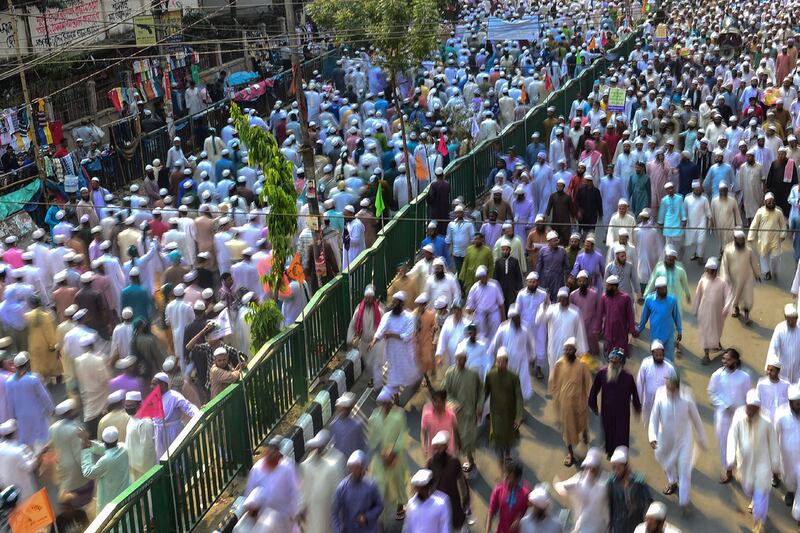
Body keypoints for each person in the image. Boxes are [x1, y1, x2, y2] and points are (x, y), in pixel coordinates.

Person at [648, 373, 708, 512]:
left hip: (684, 441)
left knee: (685, 472)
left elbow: (696, 418)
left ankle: (684, 502)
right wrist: (653, 437)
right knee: (666, 464)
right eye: (668, 387)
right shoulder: (661, 396)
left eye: (673, 388)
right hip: (665, 440)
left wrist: (702, 437)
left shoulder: (686, 398)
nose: (670, 390)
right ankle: (672, 482)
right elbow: (654, 418)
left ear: (678, 387)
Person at [727, 389, 782, 533]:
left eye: (753, 408)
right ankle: (754, 501)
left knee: (762, 492)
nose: (749, 410)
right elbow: (732, 437)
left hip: (763, 464)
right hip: (744, 464)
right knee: (748, 488)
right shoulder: (739, 416)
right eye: (748, 407)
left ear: (758, 408)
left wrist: (776, 464)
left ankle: (759, 521)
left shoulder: (767, 421)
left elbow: (774, 444)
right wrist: (730, 457)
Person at [708, 348, 752, 484]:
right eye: (724, 359)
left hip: (740, 416)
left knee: (742, 443)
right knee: (724, 444)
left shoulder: (744, 377)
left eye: (728, 359)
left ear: (735, 360)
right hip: (723, 417)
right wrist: (724, 404)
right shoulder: (717, 375)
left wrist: (749, 413)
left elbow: (748, 396)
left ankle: (743, 468)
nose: (725, 362)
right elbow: (711, 393)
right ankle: (728, 470)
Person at [589, 349, 641, 458]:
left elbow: (634, 394)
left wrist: (637, 407)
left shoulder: (628, 377)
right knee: (609, 433)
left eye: (615, 362)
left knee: (622, 435)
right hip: (607, 412)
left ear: (621, 363)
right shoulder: (602, 373)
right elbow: (594, 389)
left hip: (622, 413)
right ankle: (610, 452)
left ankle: (622, 457)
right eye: (611, 361)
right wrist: (593, 404)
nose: (612, 364)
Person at [367, 387, 408, 521]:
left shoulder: (399, 414)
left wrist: (393, 453)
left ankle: (400, 506)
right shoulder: (374, 417)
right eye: (382, 403)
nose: (385, 406)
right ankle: (380, 517)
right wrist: (381, 453)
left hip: (396, 455)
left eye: (387, 403)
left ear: (391, 402)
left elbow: (402, 436)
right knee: (379, 483)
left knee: (398, 480)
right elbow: (373, 439)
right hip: (380, 457)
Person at [549, 337, 592, 467]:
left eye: (570, 349)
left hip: (580, 403)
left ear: (575, 350)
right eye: (566, 349)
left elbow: (589, 384)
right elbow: (553, 382)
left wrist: (591, 399)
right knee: (567, 430)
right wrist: (556, 397)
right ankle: (571, 454)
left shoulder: (582, 365)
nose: (567, 351)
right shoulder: (559, 364)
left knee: (582, 423)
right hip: (565, 404)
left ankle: (585, 434)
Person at [441, 349, 483, 473]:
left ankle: (470, 461)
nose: (461, 361)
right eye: (459, 358)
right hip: (455, 415)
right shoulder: (449, 373)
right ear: (455, 359)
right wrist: (453, 403)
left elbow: (481, 390)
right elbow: (444, 392)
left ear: (466, 359)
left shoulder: (473, 374)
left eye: (463, 358)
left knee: (468, 441)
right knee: (454, 441)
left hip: (469, 414)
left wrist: (479, 406)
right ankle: (454, 465)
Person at [243, 437, 300, 527]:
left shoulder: (287, 467)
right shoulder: (257, 469)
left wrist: (294, 514)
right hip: (263, 523)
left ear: (278, 452)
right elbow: (250, 494)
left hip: (284, 521)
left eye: (274, 451)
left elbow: (295, 492)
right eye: (269, 451)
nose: (271, 454)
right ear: (265, 452)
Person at [48, 399, 93, 507]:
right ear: (69, 413)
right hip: (76, 471)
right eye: (73, 410)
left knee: (70, 495)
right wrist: (89, 469)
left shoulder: (53, 428)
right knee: (83, 500)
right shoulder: (75, 429)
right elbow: (79, 455)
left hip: (63, 467)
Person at [553, 448, 609, 533]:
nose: (590, 470)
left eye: (593, 468)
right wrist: (560, 487)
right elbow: (561, 487)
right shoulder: (579, 480)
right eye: (588, 467)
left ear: (597, 467)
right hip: (583, 526)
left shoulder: (606, 482)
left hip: (599, 525)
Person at [299, 430, 345, 533]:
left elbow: (339, 490)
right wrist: (301, 506)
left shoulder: (336, 461)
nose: (317, 450)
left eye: (320, 447)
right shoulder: (307, 464)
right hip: (312, 512)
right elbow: (303, 489)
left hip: (328, 511)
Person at [5, 352, 54, 449]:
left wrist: (12, 418)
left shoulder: (9, 382)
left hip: (21, 417)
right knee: (41, 440)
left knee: (26, 441)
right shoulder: (33, 379)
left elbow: (10, 403)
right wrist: (51, 409)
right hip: (36, 414)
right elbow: (44, 396)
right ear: (27, 364)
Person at [370, 292, 419, 390]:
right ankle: (396, 398)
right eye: (393, 302)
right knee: (393, 376)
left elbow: (407, 336)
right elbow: (381, 329)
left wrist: (392, 334)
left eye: (396, 302)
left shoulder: (409, 317)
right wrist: (374, 340)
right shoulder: (387, 316)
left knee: (408, 374)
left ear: (401, 304)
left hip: (405, 352)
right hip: (392, 351)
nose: (393, 304)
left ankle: (416, 386)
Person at [535, 287, 588, 374]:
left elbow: (580, 333)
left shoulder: (575, 312)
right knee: (554, 373)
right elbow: (539, 320)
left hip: (569, 350)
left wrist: (582, 351)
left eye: (564, 298)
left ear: (568, 299)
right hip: (554, 348)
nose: (562, 301)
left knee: (569, 374)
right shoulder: (551, 309)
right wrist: (544, 307)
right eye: (560, 298)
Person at [484, 349, 523, 463]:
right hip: (496, 413)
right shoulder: (490, 375)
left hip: (510, 413)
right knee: (497, 435)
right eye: (498, 362)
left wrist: (519, 415)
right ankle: (501, 458)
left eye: (502, 362)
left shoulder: (514, 377)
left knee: (509, 435)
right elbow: (485, 392)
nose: (500, 364)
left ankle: (507, 453)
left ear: (507, 362)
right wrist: (480, 406)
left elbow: (519, 397)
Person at [331, 450, 384, 533]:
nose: (355, 472)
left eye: (358, 468)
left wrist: (367, 517)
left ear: (363, 468)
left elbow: (379, 506)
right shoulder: (342, 488)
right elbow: (334, 513)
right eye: (352, 469)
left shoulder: (371, 485)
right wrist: (337, 530)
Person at [426, 431, 469, 529]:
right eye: (435, 448)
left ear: (445, 447)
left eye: (439, 448)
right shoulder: (430, 463)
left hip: (453, 504)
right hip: (437, 507)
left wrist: (465, 502)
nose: (436, 451)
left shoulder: (454, 462)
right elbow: (427, 486)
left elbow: (462, 484)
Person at [693, 257, 732, 363]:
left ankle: (716, 344)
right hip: (704, 312)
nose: (710, 274)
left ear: (716, 271)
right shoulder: (702, 281)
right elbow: (698, 295)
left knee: (717, 331)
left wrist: (727, 307)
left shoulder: (722, 282)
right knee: (705, 332)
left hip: (717, 313)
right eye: (708, 271)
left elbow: (729, 295)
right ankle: (706, 355)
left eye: (712, 271)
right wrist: (695, 309)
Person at [80, 426, 130, 511]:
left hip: (111, 500)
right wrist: (89, 443)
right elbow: (105, 448)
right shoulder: (124, 448)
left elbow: (88, 472)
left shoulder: (106, 460)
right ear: (117, 439)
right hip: (124, 494)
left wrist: (85, 450)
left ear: (103, 441)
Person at [489, 308, 534, 400]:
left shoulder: (525, 330)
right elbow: (494, 344)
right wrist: (490, 358)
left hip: (522, 361)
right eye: (516, 318)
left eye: (519, 317)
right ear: (511, 319)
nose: (518, 320)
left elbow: (531, 343)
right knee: (508, 383)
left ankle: (519, 402)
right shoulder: (503, 329)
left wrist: (532, 356)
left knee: (521, 382)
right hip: (508, 362)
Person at [152, 372, 200, 458]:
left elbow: (188, 407)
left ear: (163, 385)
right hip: (160, 433)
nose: (152, 387)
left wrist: (197, 414)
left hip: (174, 431)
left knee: (178, 456)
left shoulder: (174, 396)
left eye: (154, 384)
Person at [720, 230, 761, 325]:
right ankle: (736, 308)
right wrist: (725, 276)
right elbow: (724, 264)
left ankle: (747, 316)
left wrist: (757, 274)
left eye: (742, 240)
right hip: (733, 278)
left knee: (747, 297)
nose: (741, 241)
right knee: (735, 296)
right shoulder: (728, 250)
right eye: (739, 240)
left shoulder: (749, 250)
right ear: (735, 239)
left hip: (747, 278)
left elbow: (754, 262)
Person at [607, 446, 652, 533]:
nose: (616, 471)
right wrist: (610, 525)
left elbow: (648, 502)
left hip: (635, 524)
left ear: (626, 466)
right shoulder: (612, 482)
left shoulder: (639, 482)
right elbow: (610, 504)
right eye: (614, 468)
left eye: (619, 468)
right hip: (619, 525)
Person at [636, 277, 682, 361]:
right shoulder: (649, 300)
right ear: (656, 289)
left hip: (669, 336)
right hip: (655, 336)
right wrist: (638, 329)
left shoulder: (672, 300)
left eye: (665, 288)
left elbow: (676, 316)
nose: (664, 290)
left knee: (669, 360)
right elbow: (644, 317)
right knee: (656, 360)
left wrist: (679, 330)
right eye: (662, 289)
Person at [748, 192, 787, 280]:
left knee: (775, 256)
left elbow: (783, 225)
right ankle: (766, 272)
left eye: (773, 202)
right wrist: (751, 237)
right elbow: (754, 225)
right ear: (765, 202)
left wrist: (783, 235)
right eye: (769, 202)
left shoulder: (778, 212)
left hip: (775, 239)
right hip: (763, 239)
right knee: (763, 256)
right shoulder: (760, 212)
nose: (771, 203)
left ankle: (774, 270)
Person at [0, 418, 41, 502]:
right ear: (14, 433)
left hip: (9, 492)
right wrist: (37, 457)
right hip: (24, 490)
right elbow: (29, 467)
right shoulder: (18, 450)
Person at [774, 384, 800, 511]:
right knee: (789, 476)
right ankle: (790, 492)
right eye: (797, 404)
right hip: (787, 456)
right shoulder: (781, 414)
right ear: (790, 403)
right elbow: (774, 433)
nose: (799, 406)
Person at [486, 461, 530, 533]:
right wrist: (487, 531)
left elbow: (530, 513)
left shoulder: (526, 493)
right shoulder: (498, 489)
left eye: (509, 477)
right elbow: (491, 511)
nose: (505, 479)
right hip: (502, 530)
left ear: (517, 479)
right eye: (505, 476)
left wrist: (519, 519)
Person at [598, 274, 636, 357]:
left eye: (608, 286)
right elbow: (600, 314)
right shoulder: (604, 297)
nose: (606, 288)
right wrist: (598, 328)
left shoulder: (625, 298)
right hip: (608, 332)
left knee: (620, 357)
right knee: (608, 356)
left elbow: (630, 315)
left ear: (614, 287)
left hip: (621, 332)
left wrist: (632, 329)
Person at [123, 391, 157, 481]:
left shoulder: (145, 422)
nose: (128, 408)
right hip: (132, 465)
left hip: (142, 469)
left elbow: (148, 448)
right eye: (126, 405)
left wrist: (143, 468)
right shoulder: (132, 418)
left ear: (139, 404)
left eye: (131, 406)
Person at [570, 271, 602, 356]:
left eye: (584, 281)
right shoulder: (573, 295)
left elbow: (599, 311)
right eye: (580, 281)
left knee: (593, 352)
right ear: (577, 282)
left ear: (588, 282)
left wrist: (599, 326)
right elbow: (571, 312)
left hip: (592, 326)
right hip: (579, 326)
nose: (582, 283)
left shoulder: (594, 294)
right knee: (580, 352)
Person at [767, 303, 800, 383]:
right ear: (785, 318)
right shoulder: (780, 328)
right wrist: (773, 367)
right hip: (782, 369)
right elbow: (773, 348)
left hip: (797, 369)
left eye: (794, 319)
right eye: (789, 319)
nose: (792, 321)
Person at [329, 392, 366, 461]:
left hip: (353, 459)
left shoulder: (356, 425)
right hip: (339, 460)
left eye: (345, 409)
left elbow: (361, 445)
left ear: (349, 409)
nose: (342, 411)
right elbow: (335, 442)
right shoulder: (334, 424)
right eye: (340, 409)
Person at [757, 355, 790, 422]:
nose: (768, 372)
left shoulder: (786, 385)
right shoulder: (761, 384)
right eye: (768, 369)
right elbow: (757, 402)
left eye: (771, 370)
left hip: (782, 420)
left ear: (778, 371)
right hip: (766, 420)